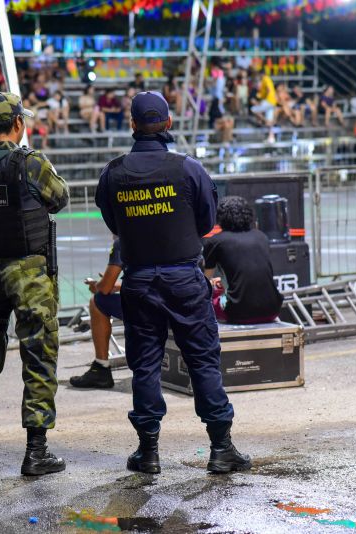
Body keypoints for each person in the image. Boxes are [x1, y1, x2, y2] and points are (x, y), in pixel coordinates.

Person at [95, 91, 251, 475]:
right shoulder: (189, 168)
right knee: (202, 361)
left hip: (140, 280)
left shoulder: (114, 171)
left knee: (146, 366)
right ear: (167, 123)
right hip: (183, 278)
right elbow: (204, 223)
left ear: (132, 125)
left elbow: (114, 224)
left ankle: (148, 452)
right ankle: (221, 447)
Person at [0, 92, 68, 476]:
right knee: (38, 354)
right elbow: (60, 198)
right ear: (19, 123)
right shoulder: (30, 162)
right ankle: (36, 452)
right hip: (29, 273)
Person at [203, 196, 283, 324]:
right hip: (273, 310)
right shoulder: (261, 237)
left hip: (237, 312)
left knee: (209, 298)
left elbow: (205, 283)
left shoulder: (215, 241)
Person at [69, 237, 123, 389]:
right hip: (180, 298)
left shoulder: (125, 239)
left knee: (97, 301)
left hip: (147, 305)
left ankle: (101, 367)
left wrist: (97, 286)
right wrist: (119, 286)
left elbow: (105, 287)